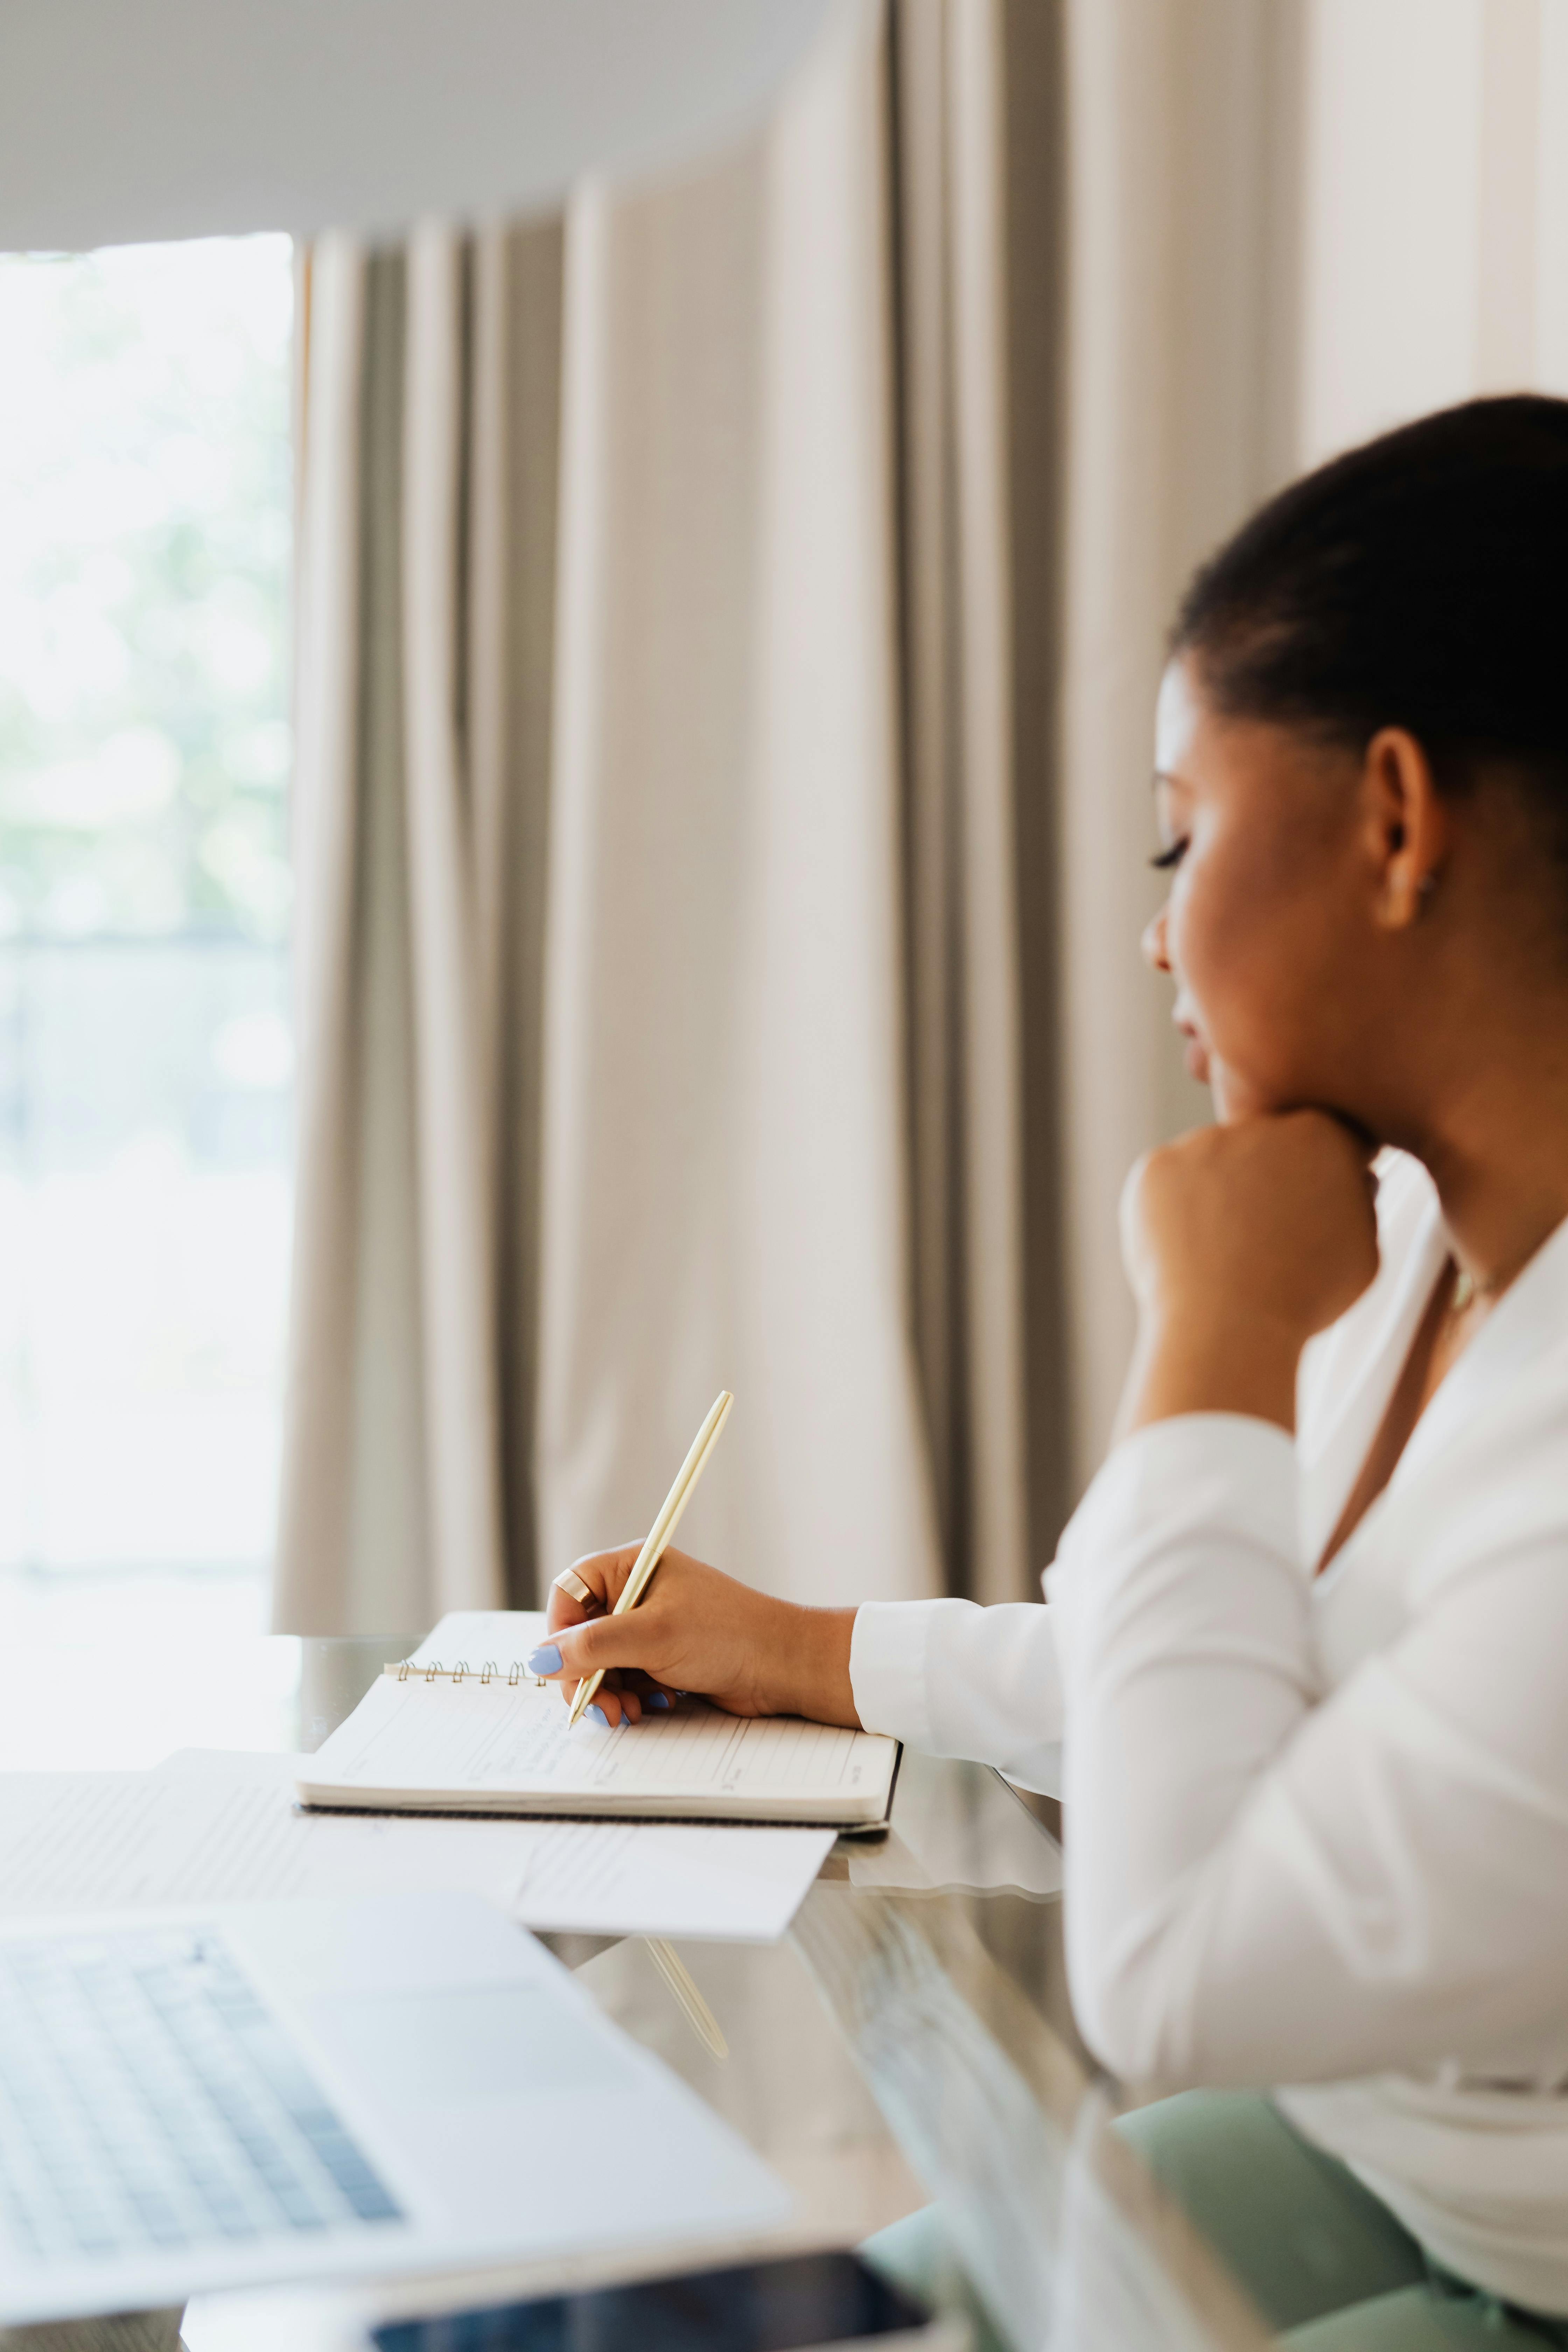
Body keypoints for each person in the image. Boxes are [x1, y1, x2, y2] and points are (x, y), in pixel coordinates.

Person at [527, 396, 1568, 2348]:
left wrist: (1217, 1336)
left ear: (1397, 820)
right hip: (1398, 2152)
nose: (1160, 936)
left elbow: (1177, 1972)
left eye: (1184, 833)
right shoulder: (1436, 1248)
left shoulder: (1344, 1301)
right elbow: (1194, 1684)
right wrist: (816, 1651)